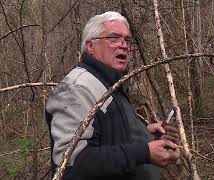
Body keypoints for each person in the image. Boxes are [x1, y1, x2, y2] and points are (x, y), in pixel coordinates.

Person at [45, 11, 180, 180]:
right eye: (114, 38)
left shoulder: (111, 84)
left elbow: (110, 137)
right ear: (90, 47)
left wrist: (147, 136)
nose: (123, 45)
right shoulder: (76, 88)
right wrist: (144, 152)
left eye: (127, 40)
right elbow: (71, 166)